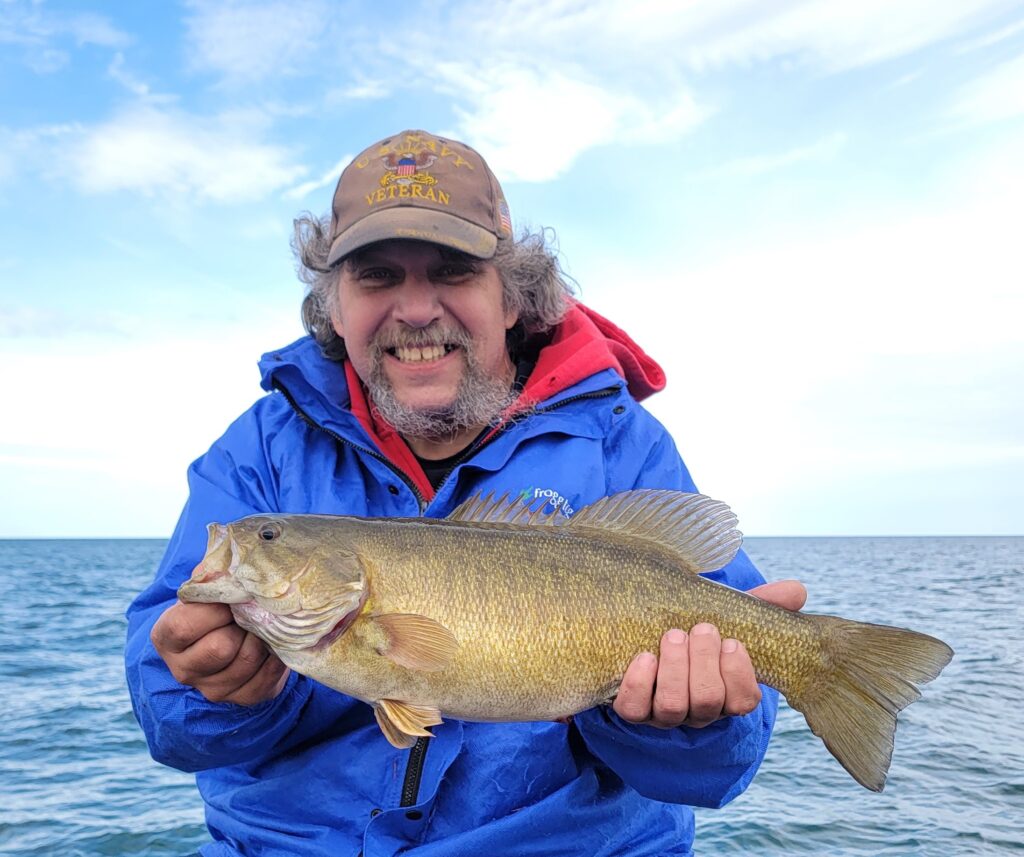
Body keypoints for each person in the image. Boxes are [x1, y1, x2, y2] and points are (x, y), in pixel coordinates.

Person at [125, 129, 806, 857]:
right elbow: (169, 717)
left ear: (512, 297)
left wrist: (682, 719)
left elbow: (722, 766)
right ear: (335, 305)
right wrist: (212, 690)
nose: (416, 310)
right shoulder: (259, 448)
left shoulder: (620, 444)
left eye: (452, 271)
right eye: (377, 276)